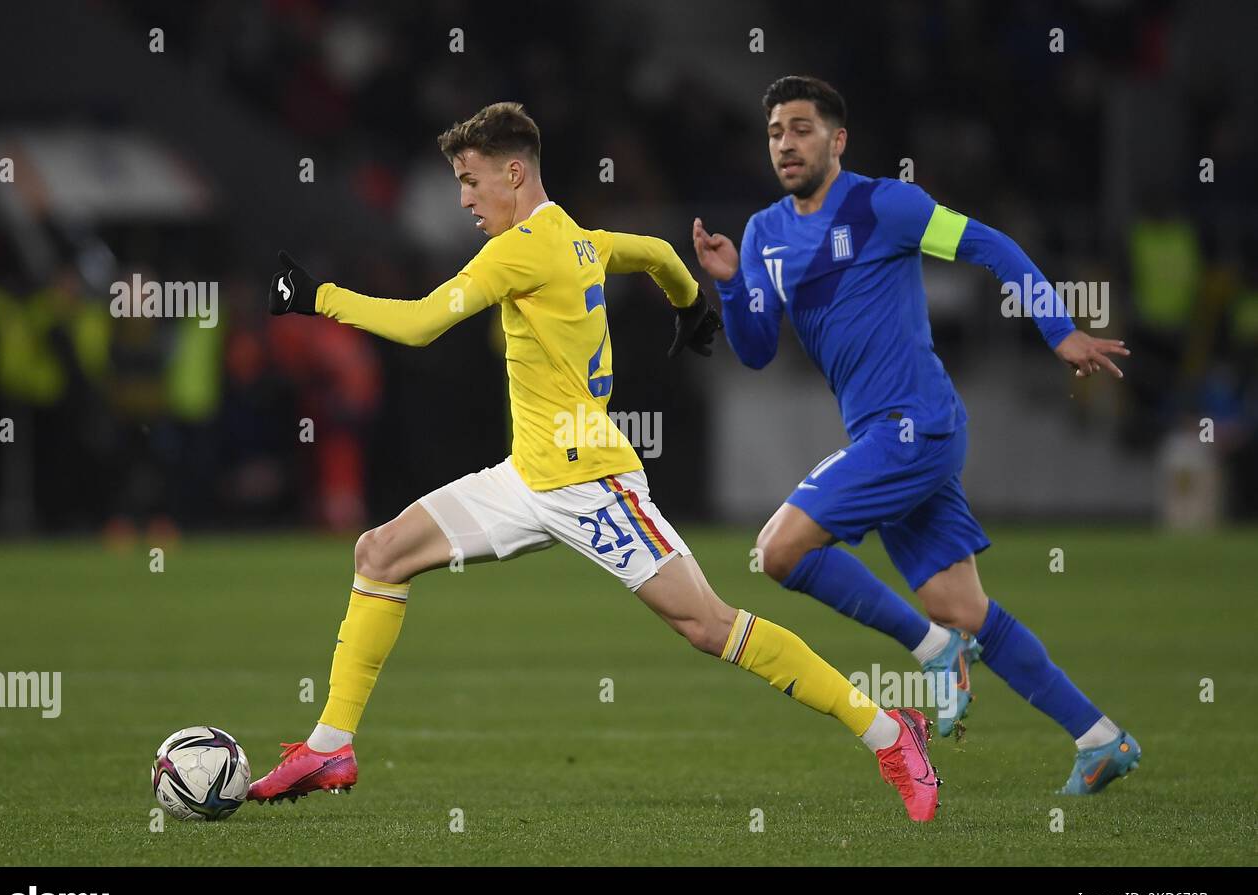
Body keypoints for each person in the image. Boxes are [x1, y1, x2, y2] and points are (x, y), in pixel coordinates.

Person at [251, 101, 942, 821]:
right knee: (380, 553)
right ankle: (331, 743)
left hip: (590, 483)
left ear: (513, 173)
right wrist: (690, 308)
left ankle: (893, 733)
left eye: (471, 179)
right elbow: (656, 252)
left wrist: (315, 296)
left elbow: (423, 323)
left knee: (710, 626)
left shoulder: (519, 249)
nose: (463, 198)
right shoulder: (579, 238)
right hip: (528, 477)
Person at [693, 76, 1139, 795]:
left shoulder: (885, 206)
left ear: (837, 141)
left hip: (915, 425)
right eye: (776, 130)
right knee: (962, 608)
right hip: (884, 433)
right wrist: (729, 285)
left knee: (778, 550)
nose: (786, 143)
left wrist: (1058, 330)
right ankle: (1099, 738)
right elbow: (754, 350)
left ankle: (933, 652)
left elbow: (991, 247)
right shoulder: (764, 233)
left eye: (802, 128)